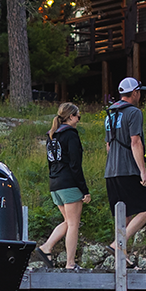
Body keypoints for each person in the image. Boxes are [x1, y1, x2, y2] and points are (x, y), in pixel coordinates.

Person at [36, 103, 91, 269]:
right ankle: (70, 263)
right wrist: (84, 190)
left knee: (68, 221)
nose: (79, 120)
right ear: (71, 116)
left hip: (55, 183)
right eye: (78, 116)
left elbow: (50, 163)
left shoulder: (52, 135)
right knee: (74, 224)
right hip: (69, 183)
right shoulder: (71, 135)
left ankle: (46, 247)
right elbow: (75, 165)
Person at [104, 77, 146, 262]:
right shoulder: (134, 112)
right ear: (135, 93)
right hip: (128, 169)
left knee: (123, 216)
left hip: (111, 171)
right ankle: (117, 243)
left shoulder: (110, 113)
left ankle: (121, 258)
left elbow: (109, 145)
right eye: (139, 92)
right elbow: (135, 141)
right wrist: (143, 170)